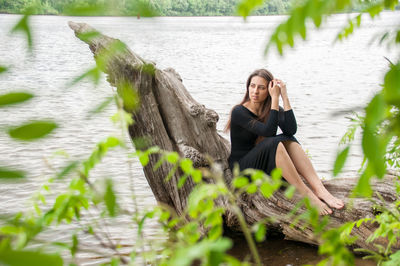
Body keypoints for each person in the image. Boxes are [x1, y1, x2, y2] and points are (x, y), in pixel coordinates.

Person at [225, 69, 344, 215]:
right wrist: (274, 100)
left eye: (261, 88)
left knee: (288, 140)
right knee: (274, 143)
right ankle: (307, 195)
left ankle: (320, 189)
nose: (255, 91)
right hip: (243, 168)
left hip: (264, 166)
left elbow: (290, 130)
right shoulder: (239, 112)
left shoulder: (271, 110)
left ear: (269, 89)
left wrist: (284, 97)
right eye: (252, 86)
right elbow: (268, 132)